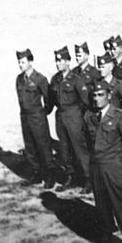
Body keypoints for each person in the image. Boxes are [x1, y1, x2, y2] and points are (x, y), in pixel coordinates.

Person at [83, 81, 122, 243]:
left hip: (114, 167)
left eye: (100, 95)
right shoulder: (89, 116)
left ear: (109, 95)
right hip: (97, 168)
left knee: (121, 206)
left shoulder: (120, 117)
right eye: (94, 96)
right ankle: (106, 241)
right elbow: (87, 143)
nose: (97, 99)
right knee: (102, 206)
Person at [50, 46, 92, 192]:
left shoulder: (77, 80)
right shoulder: (55, 79)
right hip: (60, 117)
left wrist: (83, 119)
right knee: (65, 149)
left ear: (68, 61)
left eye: (61, 60)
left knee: (80, 149)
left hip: (74, 116)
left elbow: (86, 102)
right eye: (57, 61)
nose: (58, 63)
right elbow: (51, 100)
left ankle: (88, 179)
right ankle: (70, 177)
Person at [15, 49, 56, 188]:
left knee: (43, 146)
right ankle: (36, 174)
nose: (20, 65)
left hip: (37, 117)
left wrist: (43, 113)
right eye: (19, 62)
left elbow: (48, 99)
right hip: (25, 117)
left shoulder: (40, 79)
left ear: (31, 62)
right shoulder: (19, 79)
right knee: (30, 147)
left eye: (23, 62)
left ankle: (50, 176)